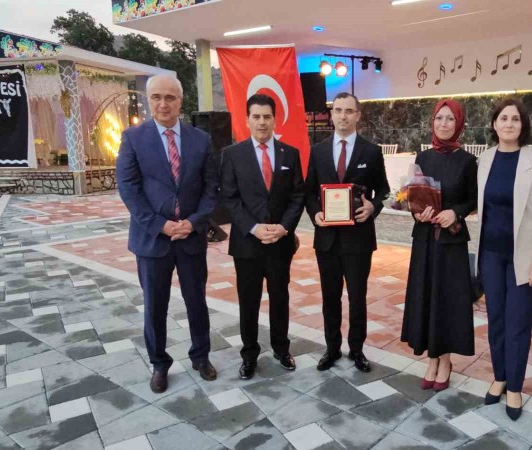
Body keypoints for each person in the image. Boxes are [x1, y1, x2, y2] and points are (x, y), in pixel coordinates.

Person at [117, 75, 217, 394]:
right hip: (152, 240)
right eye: (156, 97)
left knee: (196, 302)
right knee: (154, 306)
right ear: (148, 100)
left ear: (180, 101)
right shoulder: (133, 138)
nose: (163, 104)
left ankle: (200, 356)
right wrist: (159, 225)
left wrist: (194, 222)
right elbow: (129, 189)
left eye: (170, 97)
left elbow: (211, 188)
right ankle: (159, 364)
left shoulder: (201, 139)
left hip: (191, 238)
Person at [474, 98, 532, 421]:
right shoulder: (485, 159)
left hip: (524, 257)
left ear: (523, 125)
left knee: (518, 322)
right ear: (494, 124)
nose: (509, 124)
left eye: (515, 119)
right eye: (503, 118)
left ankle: (515, 387)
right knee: (495, 319)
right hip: (490, 254)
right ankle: (500, 376)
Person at [221, 94, 305, 380]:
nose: (261, 122)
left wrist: (285, 227)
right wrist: (253, 227)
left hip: (280, 243)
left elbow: (297, 195)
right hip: (247, 244)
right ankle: (249, 355)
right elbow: (229, 198)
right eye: (256, 116)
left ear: (274, 119)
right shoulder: (232, 154)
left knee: (280, 297)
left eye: (267, 116)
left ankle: (282, 349)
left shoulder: (289, 154)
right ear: (247, 120)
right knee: (249, 301)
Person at [305, 92, 390, 373]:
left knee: (357, 298)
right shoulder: (318, 150)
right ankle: (332, 348)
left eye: (349, 111)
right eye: (338, 110)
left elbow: (384, 190)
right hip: (327, 239)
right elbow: (308, 192)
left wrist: (373, 207)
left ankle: (356, 349)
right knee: (330, 298)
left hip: (359, 239)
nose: (343, 116)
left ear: (358, 115)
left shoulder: (371, 151)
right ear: (331, 115)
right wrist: (315, 213)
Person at [401, 99, 478, 392]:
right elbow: (415, 195)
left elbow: (473, 199)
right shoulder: (423, 157)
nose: (443, 124)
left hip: (451, 242)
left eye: (450, 119)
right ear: (432, 122)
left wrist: (455, 212)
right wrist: (417, 212)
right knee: (426, 297)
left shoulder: (467, 161)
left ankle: (444, 361)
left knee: (446, 300)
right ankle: (430, 359)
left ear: (459, 124)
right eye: (439, 118)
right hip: (424, 240)